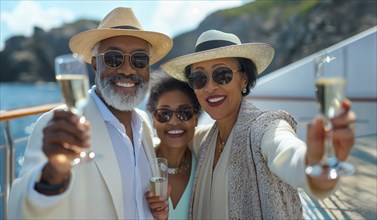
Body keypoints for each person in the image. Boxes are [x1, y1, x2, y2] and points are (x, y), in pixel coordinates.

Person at [161, 29, 357, 219]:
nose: (210, 86)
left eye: (222, 75)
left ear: (244, 79)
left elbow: (283, 148)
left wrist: (313, 163)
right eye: (199, 78)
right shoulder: (203, 140)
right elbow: (163, 141)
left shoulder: (265, 126)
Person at [8, 7, 172, 219]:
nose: (127, 70)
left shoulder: (144, 125)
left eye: (139, 60)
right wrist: (52, 176)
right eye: (114, 58)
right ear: (95, 64)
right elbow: (21, 211)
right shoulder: (58, 125)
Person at [145, 73, 201, 219]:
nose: (174, 122)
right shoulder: (140, 166)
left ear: (196, 118)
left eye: (184, 113)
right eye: (164, 113)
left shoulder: (204, 169)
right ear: (153, 120)